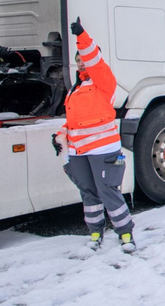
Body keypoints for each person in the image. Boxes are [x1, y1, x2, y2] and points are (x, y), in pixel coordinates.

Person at [52, 18, 136, 253]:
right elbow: (74, 121)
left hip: (102, 149)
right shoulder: (75, 90)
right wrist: (60, 135)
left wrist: (81, 37)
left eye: (84, 59)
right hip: (79, 151)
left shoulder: (103, 82)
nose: (81, 63)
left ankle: (126, 234)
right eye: (78, 60)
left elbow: (94, 60)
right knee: (88, 193)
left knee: (108, 191)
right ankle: (96, 232)